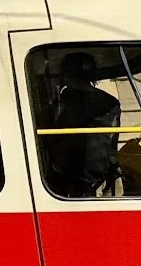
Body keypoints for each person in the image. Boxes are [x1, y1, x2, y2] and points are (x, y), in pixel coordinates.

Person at [47, 51, 122, 196]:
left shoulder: (62, 102)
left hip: (69, 174)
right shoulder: (110, 102)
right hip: (101, 174)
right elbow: (109, 140)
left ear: (66, 74)